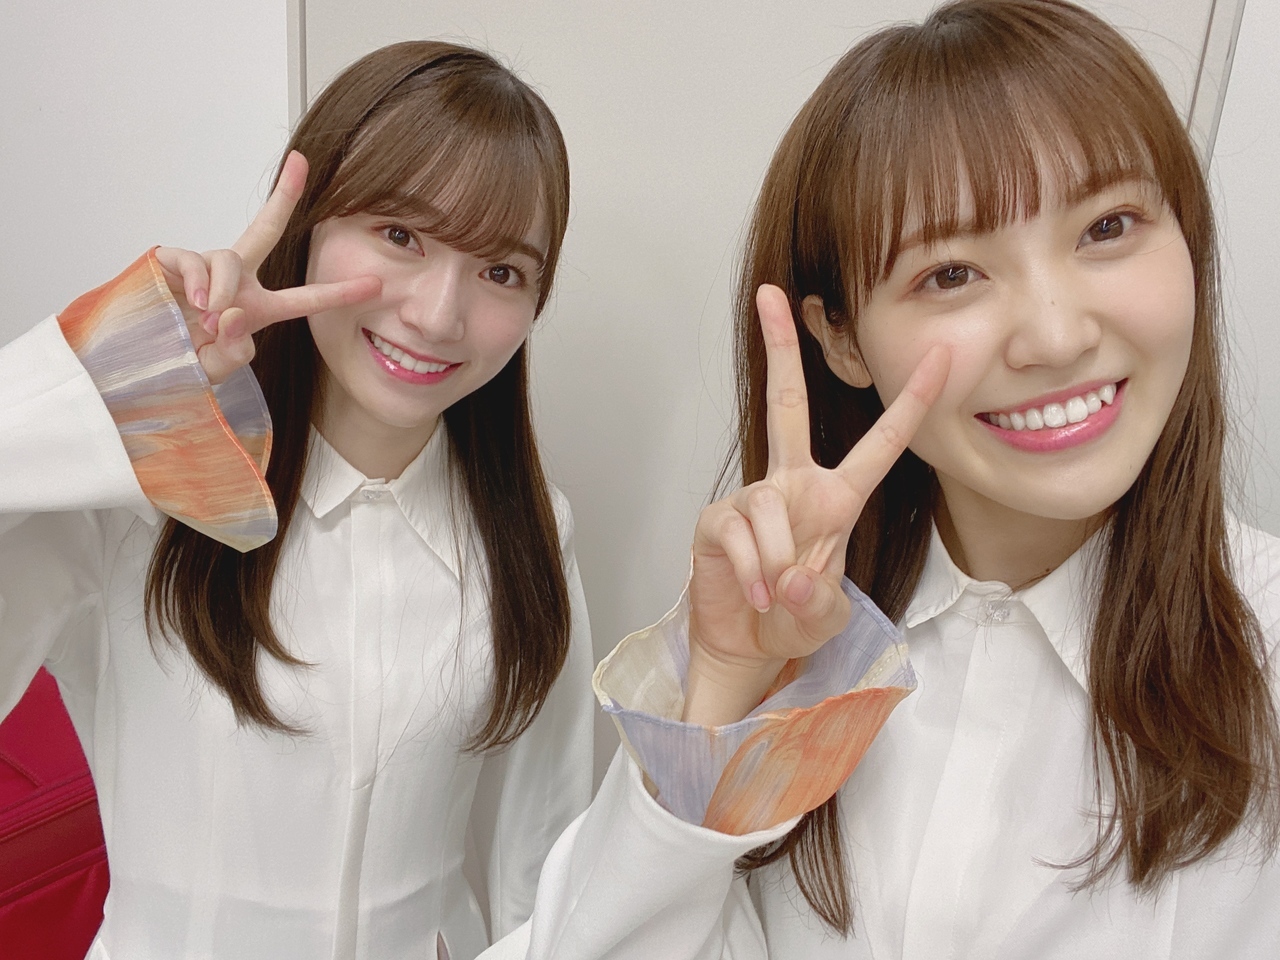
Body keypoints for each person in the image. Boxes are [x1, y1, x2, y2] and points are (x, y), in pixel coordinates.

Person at [488, 2, 1280, 957]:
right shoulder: (794, 639)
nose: (1057, 335)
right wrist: (723, 694)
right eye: (951, 274)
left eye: (1108, 226)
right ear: (842, 341)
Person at [0, 41, 592, 960]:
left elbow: (542, 868)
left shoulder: (530, 531)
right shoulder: (143, 492)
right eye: (401, 235)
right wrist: (117, 368)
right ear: (309, 225)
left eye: (501, 272)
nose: (438, 315)